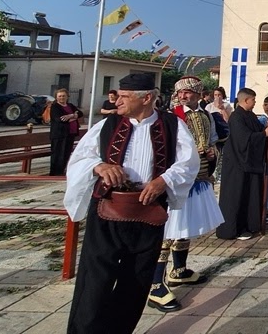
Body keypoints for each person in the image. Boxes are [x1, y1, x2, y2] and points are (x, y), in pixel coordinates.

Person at [64, 73, 197, 334]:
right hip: (107, 213)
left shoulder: (171, 125)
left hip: (147, 214)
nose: (118, 101)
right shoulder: (107, 125)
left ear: (146, 98)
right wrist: (99, 166)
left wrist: (164, 180)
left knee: (136, 281)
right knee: (95, 280)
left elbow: (188, 162)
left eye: (125, 96)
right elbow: (79, 159)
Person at [148, 76, 225, 312]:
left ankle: (179, 269)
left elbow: (213, 141)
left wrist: (211, 153)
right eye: (181, 93)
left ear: (198, 95)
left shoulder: (206, 115)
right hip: (176, 178)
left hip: (198, 176)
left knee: (185, 227)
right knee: (168, 231)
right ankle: (154, 284)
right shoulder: (170, 118)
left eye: (189, 93)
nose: (184, 96)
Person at [217, 88, 268, 240]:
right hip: (238, 163)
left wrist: (266, 128)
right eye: (253, 100)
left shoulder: (249, 115)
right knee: (238, 195)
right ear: (246, 100)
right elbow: (244, 139)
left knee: (251, 193)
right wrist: (264, 135)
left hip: (249, 162)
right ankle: (236, 228)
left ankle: (251, 224)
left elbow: (257, 130)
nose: (255, 103)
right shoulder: (237, 117)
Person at [49, 88, 84, 176]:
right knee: (58, 154)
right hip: (59, 134)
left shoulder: (70, 105)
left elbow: (80, 113)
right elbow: (60, 119)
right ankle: (55, 173)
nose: (62, 98)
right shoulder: (55, 107)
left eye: (63, 96)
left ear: (67, 97)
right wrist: (73, 116)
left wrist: (71, 115)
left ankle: (62, 171)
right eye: (60, 96)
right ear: (56, 97)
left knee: (66, 153)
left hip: (70, 134)